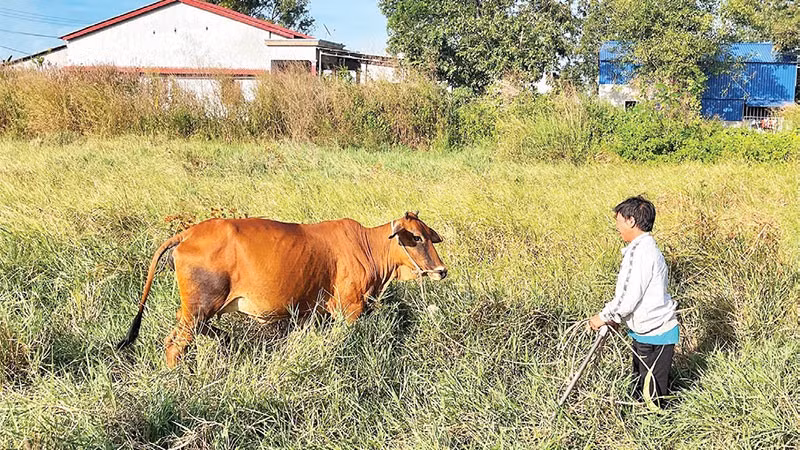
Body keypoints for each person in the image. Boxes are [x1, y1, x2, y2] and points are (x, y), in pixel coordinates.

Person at [588, 196, 679, 407]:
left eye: (618, 220)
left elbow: (628, 297)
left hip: (656, 332)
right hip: (647, 330)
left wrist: (603, 317)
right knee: (641, 386)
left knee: (651, 396)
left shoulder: (640, 252)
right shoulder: (644, 249)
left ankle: (656, 431)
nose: (617, 226)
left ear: (631, 221)